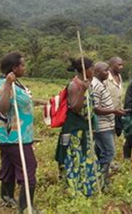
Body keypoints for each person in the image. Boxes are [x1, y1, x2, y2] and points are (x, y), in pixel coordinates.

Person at [0, 52, 37, 212]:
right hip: (13, 136)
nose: (25, 67)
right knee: (29, 166)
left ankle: (7, 198)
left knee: (8, 166)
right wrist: (9, 84)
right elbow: (2, 108)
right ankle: (26, 207)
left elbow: (24, 101)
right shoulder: (5, 83)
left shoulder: (18, 83)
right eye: (22, 65)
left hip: (20, 134)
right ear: (14, 68)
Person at [54, 57, 98, 196]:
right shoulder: (75, 85)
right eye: (92, 68)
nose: (94, 70)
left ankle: (87, 186)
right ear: (84, 70)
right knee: (74, 158)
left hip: (85, 128)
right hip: (75, 130)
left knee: (86, 157)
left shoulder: (87, 83)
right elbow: (75, 108)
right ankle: (75, 189)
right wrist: (82, 91)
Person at [91, 62, 126, 189]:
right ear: (97, 72)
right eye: (105, 71)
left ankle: (99, 178)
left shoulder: (102, 83)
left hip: (107, 123)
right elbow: (95, 108)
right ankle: (101, 180)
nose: (108, 73)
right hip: (101, 125)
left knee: (101, 151)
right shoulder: (95, 85)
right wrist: (113, 111)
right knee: (109, 152)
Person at [105, 57, 124, 137]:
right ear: (112, 65)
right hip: (106, 114)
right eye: (119, 65)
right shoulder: (105, 77)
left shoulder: (119, 76)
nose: (121, 67)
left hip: (117, 113)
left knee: (114, 136)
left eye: (122, 65)